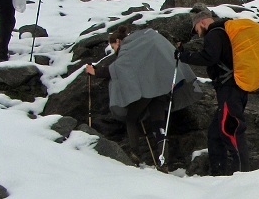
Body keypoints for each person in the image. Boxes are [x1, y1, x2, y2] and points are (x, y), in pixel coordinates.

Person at [85, 25, 199, 164]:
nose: (115, 51)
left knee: (131, 118)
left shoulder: (127, 48)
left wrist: (95, 72)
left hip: (148, 91)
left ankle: (135, 154)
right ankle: (163, 162)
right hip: (162, 89)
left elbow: (118, 69)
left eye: (113, 47)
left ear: (118, 42)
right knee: (159, 125)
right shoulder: (141, 42)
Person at [175, 10, 249, 175]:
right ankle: (218, 174)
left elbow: (209, 57)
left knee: (232, 130)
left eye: (196, 30)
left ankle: (243, 176)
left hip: (230, 89)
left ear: (201, 22)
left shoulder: (214, 33)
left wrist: (184, 56)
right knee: (215, 134)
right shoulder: (224, 33)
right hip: (234, 89)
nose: (198, 34)